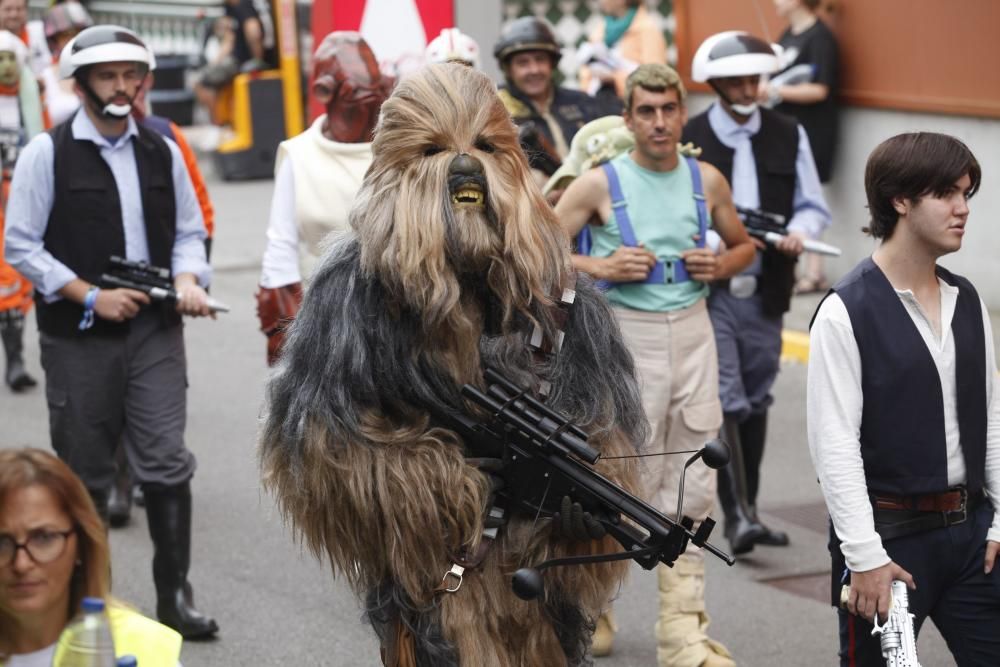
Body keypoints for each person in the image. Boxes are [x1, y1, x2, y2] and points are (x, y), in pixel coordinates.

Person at [260, 63, 646, 665]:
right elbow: (318, 454)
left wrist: (582, 510)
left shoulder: (565, 301)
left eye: (486, 147)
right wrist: (450, 486)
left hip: (539, 598)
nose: (465, 169)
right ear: (392, 171)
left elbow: (611, 436)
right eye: (434, 151)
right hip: (434, 589)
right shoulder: (352, 294)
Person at [2, 25, 219, 639]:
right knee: (85, 475)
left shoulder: (162, 147)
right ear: (81, 85)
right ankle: (85, 607)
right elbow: (21, 245)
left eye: (131, 75)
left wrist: (189, 279)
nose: (123, 87)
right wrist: (89, 294)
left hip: (155, 330)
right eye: (108, 76)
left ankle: (174, 598)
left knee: (167, 462)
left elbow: (189, 231)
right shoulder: (47, 152)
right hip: (78, 337)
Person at [555, 63, 755, 665]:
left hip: (693, 332)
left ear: (683, 114)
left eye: (669, 109)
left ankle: (682, 633)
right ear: (628, 118)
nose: (660, 122)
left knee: (696, 477)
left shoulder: (707, 180)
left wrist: (722, 265)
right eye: (647, 110)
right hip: (625, 338)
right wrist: (601, 267)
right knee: (613, 476)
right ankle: (594, 607)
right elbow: (537, 253)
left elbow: (744, 246)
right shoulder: (597, 184)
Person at [808, 132, 999, 665]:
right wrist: (864, 555)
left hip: (974, 536)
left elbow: (991, 415)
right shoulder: (846, 310)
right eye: (947, 193)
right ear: (900, 201)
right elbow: (834, 445)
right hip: (887, 542)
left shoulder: (967, 299)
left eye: (966, 193)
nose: (963, 208)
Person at [682, 30, 830, 556]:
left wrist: (799, 231)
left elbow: (811, 204)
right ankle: (737, 517)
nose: (750, 88)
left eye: (756, 78)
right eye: (738, 80)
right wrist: (710, 241)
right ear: (717, 84)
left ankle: (751, 507)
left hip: (768, 285)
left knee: (758, 393)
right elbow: (679, 208)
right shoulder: (691, 135)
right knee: (727, 396)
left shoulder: (789, 132)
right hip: (714, 285)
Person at [257, 31, 391, 366]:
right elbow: (281, 245)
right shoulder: (299, 155)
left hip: (393, 313)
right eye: (357, 99)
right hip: (320, 315)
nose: (368, 111)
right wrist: (283, 330)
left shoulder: (396, 150)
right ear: (325, 93)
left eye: (375, 98)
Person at [0, 448, 183, 666]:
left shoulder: (140, 645)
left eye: (44, 538)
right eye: (1, 543)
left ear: (81, 545)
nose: (21, 564)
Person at [766, 0, 839, 293]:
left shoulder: (820, 37)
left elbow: (820, 89)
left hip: (812, 130)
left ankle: (815, 272)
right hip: (783, 131)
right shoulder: (787, 34)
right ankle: (799, 270)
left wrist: (774, 90)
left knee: (810, 196)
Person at [494, 17, 601, 172]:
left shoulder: (582, 102)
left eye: (540, 60)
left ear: (552, 64)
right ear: (508, 69)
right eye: (523, 63)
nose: (534, 70)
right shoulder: (496, 110)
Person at [0, 29, 41, 393]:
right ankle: (13, 359)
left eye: (11, 58)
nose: (6, 67)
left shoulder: (32, 100)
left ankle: (16, 358)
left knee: (21, 282)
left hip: (25, 202)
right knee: (7, 283)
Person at [577, 0, 667, 115]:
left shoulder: (647, 29)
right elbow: (586, 69)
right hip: (597, 103)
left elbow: (656, 77)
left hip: (632, 109)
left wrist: (615, 78)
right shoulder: (601, 29)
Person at [193, 0, 273, 119]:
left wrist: (258, 60)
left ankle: (219, 123)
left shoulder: (244, 5)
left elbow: (254, 33)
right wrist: (215, 63)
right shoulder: (232, 8)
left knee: (201, 83)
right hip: (240, 60)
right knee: (210, 76)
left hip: (242, 62)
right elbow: (230, 40)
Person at [41, 1, 93, 126]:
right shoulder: (45, 77)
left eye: (77, 33)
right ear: (54, 39)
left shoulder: (97, 72)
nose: (73, 40)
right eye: (65, 35)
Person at [0, 0, 48, 78]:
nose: (14, 14)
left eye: (19, 9)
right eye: (8, 9)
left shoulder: (41, 31)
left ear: (26, 10)